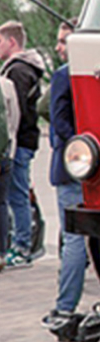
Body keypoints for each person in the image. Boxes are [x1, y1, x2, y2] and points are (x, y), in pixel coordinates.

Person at [43, 22, 87, 330]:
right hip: (99, 165)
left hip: (72, 167)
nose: (58, 47)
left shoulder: (64, 76)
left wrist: (75, 150)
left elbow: (58, 121)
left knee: (73, 239)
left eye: (63, 41)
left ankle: (65, 305)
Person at [0, 21, 46, 268]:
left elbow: (13, 112)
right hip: (25, 140)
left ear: (12, 42)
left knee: (16, 194)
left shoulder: (17, 72)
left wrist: (10, 141)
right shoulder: (27, 69)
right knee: (18, 191)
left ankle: (21, 246)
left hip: (18, 141)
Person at [0, 68, 18, 272]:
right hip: (5, 152)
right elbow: (15, 119)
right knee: (2, 203)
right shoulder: (6, 85)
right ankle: (2, 252)